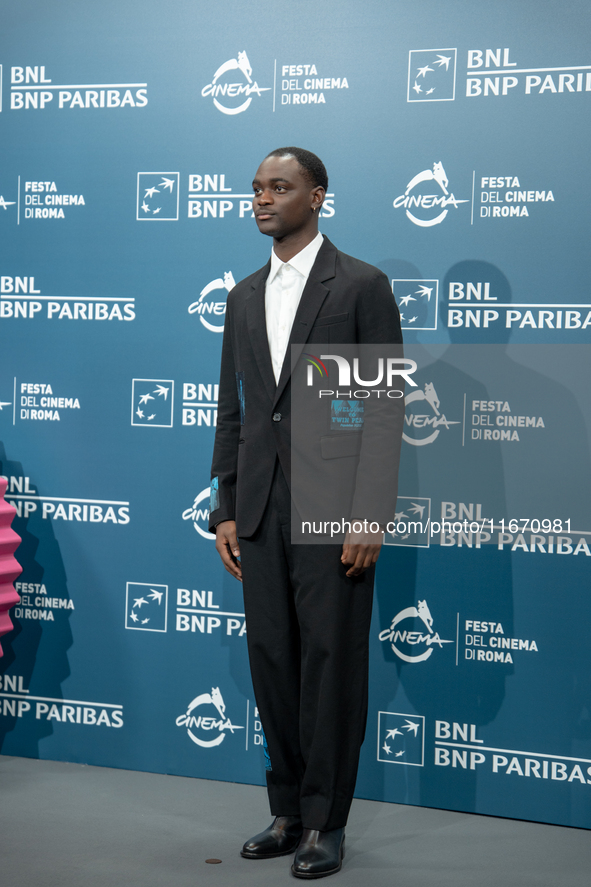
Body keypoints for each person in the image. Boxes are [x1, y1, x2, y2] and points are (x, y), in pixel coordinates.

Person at [209, 147, 403, 879]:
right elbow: (234, 411)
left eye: (278, 187)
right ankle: (286, 808)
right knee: (273, 664)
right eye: (256, 188)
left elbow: (383, 413)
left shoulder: (360, 286)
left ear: (316, 197)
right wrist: (225, 505)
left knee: (330, 665)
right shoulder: (241, 295)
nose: (261, 199)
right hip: (257, 509)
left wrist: (368, 515)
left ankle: (326, 820)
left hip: (333, 510)